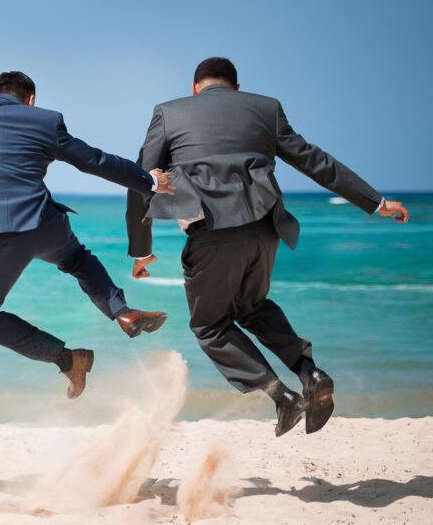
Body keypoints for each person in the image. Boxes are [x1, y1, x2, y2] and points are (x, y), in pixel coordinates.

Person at [125, 57, 409, 436]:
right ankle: (312, 373)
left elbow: (140, 180)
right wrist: (375, 202)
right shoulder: (266, 108)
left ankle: (281, 396)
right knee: (253, 307)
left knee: (210, 326)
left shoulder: (169, 112)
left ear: (194, 87)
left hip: (211, 230)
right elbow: (315, 161)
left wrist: (141, 250)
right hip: (265, 228)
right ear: (236, 88)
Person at [0, 71, 174, 400]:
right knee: (77, 259)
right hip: (44, 223)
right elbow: (94, 161)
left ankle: (68, 359)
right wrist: (150, 181)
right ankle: (122, 312)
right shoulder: (45, 120)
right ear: (31, 100)